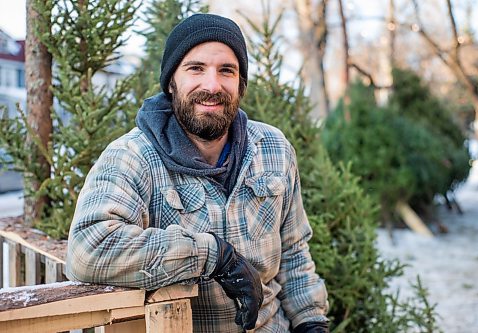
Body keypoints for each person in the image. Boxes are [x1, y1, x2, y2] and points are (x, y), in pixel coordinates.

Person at [66, 13, 328, 333]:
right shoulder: (133, 156)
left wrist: (311, 321)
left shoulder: (274, 149)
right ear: (171, 83)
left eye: (226, 71)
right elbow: (88, 249)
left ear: (241, 85)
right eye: (196, 68)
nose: (212, 85)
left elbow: (294, 253)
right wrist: (212, 255)